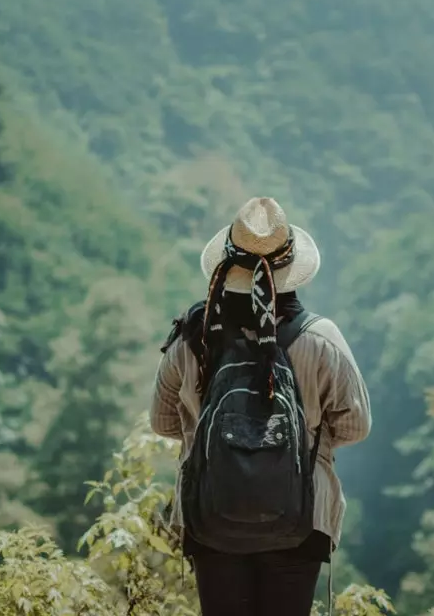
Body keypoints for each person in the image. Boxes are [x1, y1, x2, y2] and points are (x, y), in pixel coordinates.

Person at [149, 196, 372, 616]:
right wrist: (304, 443)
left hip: (211, 514)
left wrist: (217, 441)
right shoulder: (322, 339)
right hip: (301, 516)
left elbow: (161, 422)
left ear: (225, 266)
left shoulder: (191, 337)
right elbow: (357, 425)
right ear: (292, 271)